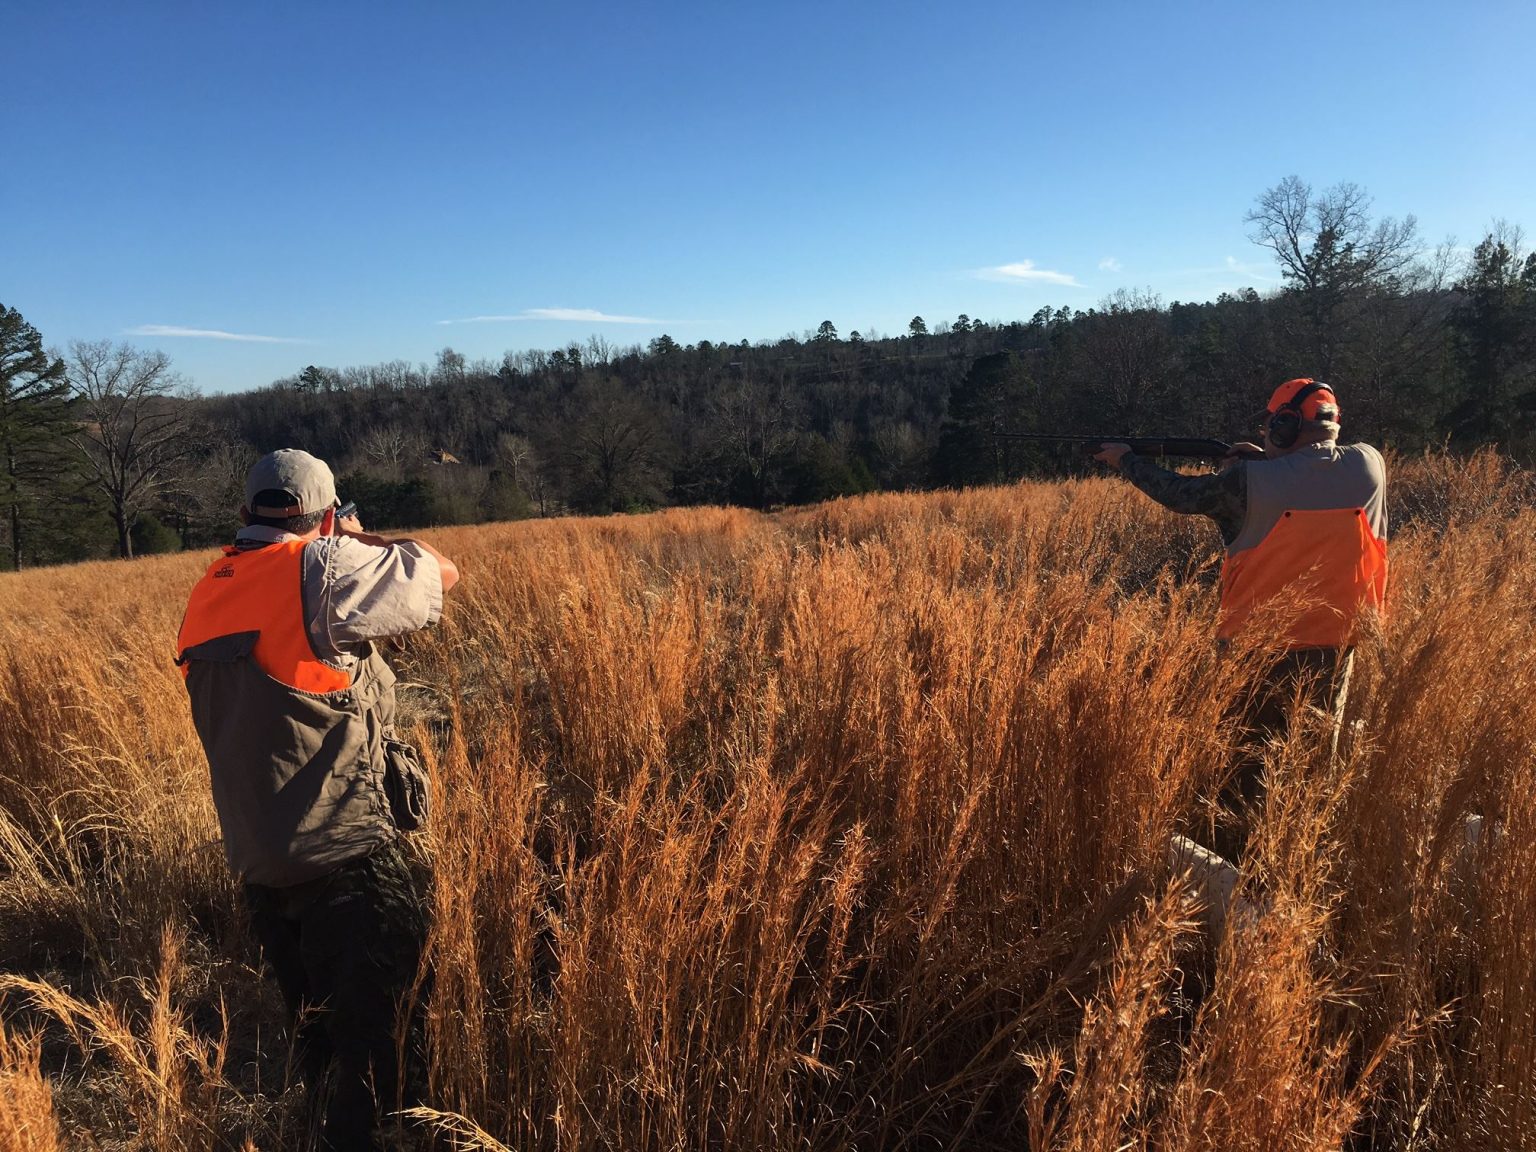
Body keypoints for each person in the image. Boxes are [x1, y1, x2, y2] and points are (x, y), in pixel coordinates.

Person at [175, 448, 460, 1149]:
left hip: (262, 869)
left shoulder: (209, 591)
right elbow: (441, 573)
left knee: (320, 1040)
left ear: (243, 516)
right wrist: (356, 540)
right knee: (385, 1053)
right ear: (326, 516)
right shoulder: (321, 569)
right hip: (347, 858)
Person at [1094, 379, 1387, 861]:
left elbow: (1179, 494)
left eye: (1272, 421)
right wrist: (1267, 458)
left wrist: (1125, 459)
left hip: (1257, 650)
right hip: (1337, 644)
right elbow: (1311, 474)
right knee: (1314, 762)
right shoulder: (1370, 465)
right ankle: (1305, 859)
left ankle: (1239, 863)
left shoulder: (1247, 482)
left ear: (1284, 424)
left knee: (1243, 765)